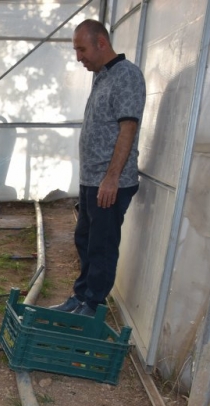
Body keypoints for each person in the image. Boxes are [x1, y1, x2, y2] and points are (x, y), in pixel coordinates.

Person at [51, 20, 145, 316]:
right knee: (85, 239)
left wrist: (112, 178)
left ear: (101, 43)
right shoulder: (103, 76)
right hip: (93, 179)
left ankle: (92, 304)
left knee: (102, 245)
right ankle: (81, 296)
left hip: (110, 182)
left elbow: (127, 128)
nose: (78, 56)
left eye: (81, 48)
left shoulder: (126, 76)